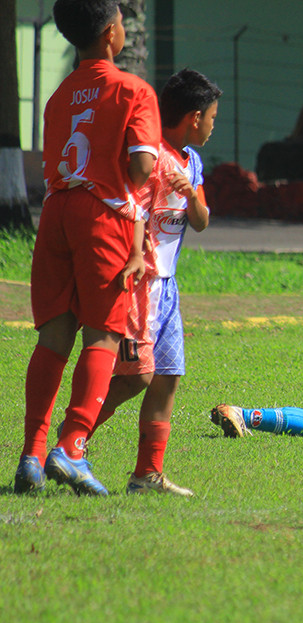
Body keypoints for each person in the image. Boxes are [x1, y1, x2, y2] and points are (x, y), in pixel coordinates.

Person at [13, 0, 160, 496]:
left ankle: (32, 454)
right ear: (112, 34)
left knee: (53, 337)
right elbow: (141, 169)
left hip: (55, 213)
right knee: (103, 336)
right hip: (103, 217)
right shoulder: (133, 89)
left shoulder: (59, 95)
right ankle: (73, 447)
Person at [79, 68, 221, 496]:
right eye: (213, 117)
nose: (214, 125)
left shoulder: (191, 162)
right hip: (141, 284)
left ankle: (147, 475)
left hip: (169, 290)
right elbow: (135, 208)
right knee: (134, 377)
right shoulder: (150, 155)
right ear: (194, 117)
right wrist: (138, 253)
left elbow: (200, 223)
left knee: (167, 378)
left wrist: (192, 193)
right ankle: (70, 443)